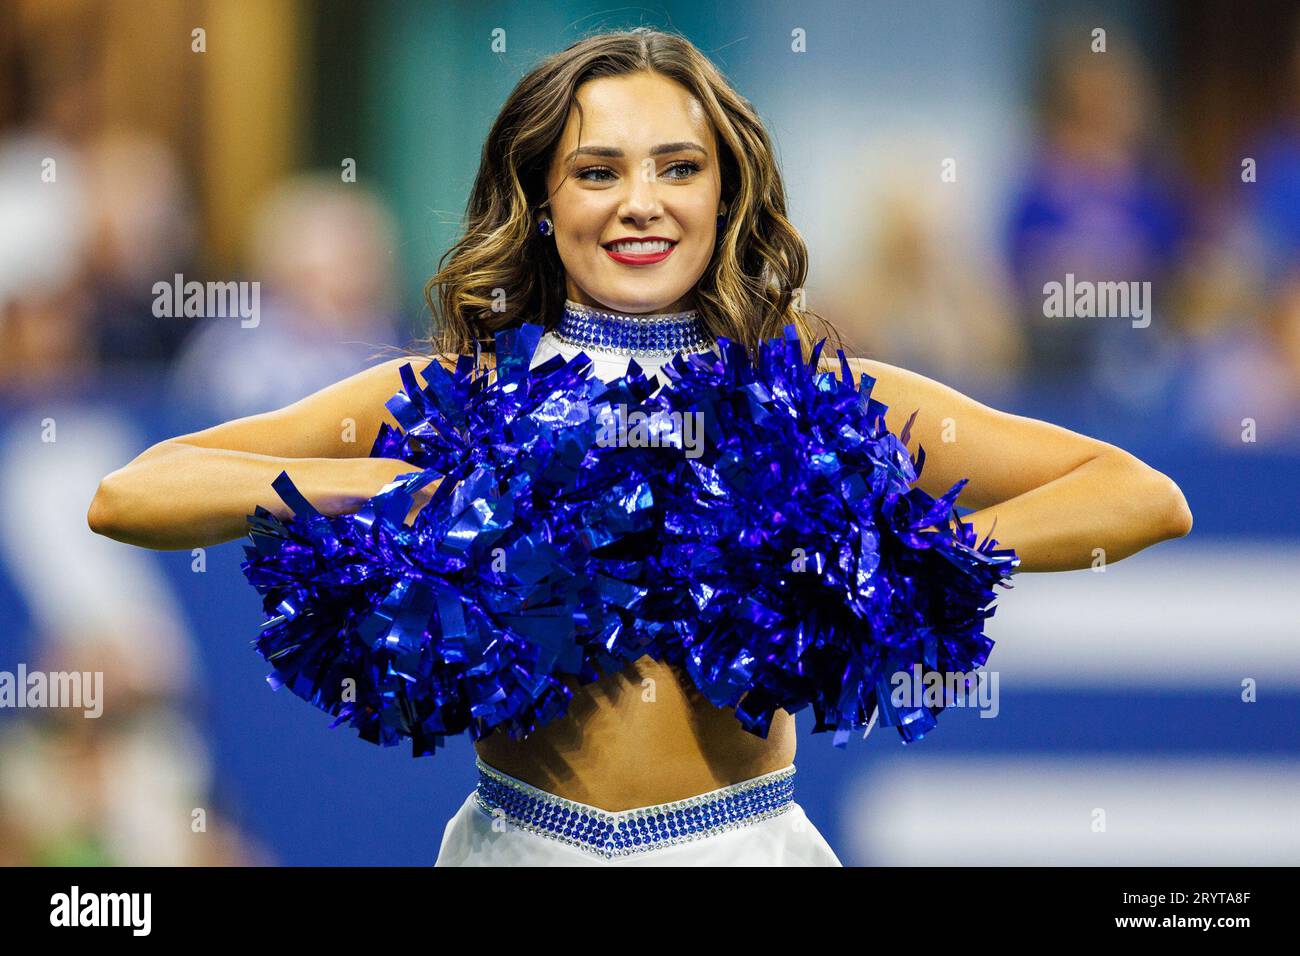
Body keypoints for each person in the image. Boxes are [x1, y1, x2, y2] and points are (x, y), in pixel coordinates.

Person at [87, 27, 1193, 866]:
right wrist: (393, 483)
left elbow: (1137, 493)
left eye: (677, 167)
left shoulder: (809, 400)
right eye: (597, 170)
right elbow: (135, 492)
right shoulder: (452, 398)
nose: (641, 203)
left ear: (726, 190)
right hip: (515, 844)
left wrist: (899, 548)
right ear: (540, 196)